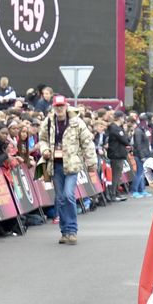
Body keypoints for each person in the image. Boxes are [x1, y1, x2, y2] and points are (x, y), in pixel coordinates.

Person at [37, 95, 97, 245]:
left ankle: (72, 230)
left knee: (69, 195)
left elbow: (87, 142)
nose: (59, 109)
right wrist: (44, 150)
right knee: (60, 198)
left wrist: (91, 163)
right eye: (57, 106)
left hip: (72, 164)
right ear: (53, 107)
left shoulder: (77, 122)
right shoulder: (49, 121)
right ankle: (64, 231)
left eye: (62, 106)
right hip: (55, 164)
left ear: (66, 106)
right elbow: (42, 139)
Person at [107, 110, 131, 201]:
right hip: (116, 154)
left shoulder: (118, 128)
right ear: (120, 118)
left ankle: (116, 192)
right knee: (116, 175)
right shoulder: (114, 128)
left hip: (119, 154)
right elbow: (125, 140)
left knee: (118, 175)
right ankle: (113, 194)